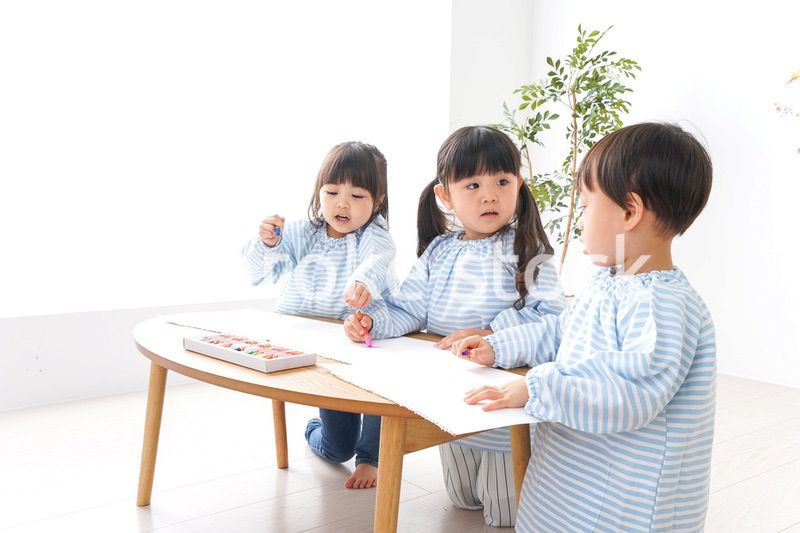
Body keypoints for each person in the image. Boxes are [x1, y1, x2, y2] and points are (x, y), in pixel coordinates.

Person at [454, 122, 716, 532]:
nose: (580, 219)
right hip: (575, 475)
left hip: (625, 501)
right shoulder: (611, 279)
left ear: (630, 212)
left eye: (588, 204)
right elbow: (563, 332)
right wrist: (501, 345)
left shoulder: (662, 303)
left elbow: (631, 389)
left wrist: (535, 387)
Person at [344, 126, 565, 526]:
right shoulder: (439, 251)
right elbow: (408, 309)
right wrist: (371, 320)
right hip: (446, 398)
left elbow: (552, 322)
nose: (490, 195)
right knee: (463, 500)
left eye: (502, 181)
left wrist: (494, 334)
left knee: (503, 513)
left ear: (518, 185)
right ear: (445, 195)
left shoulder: (530, 252)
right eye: (473, 184)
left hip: (501, 400)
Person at [241, 141, 396, 489]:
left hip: (352, 347)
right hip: (309, 348)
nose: (342, 204)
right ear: (318, 192)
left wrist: (362, 281)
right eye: (332, 192)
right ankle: (316, 429)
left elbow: (378, 259)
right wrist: (267, 243)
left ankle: (371, 456)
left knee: (380, 377)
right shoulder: (300, 232)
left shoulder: (375, 234)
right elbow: (260, 272)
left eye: (357, 196)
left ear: (378, 201)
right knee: (336, 448)